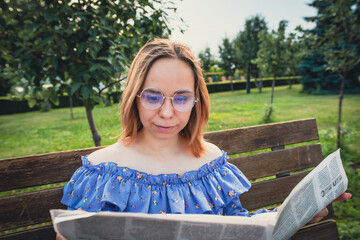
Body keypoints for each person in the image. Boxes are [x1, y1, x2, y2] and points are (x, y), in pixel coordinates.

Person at [58, 39, 350, 239]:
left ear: (197, 101)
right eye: (153, 96)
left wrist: (297, 214)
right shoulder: (102, 172)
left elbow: (236, 227)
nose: (167, 112)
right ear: (134, 97)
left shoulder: (211, 163)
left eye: (181, 98)